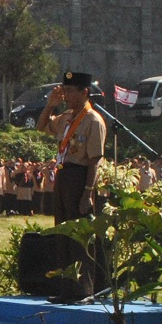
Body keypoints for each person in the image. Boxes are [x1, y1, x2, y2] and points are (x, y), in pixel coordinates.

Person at [37, 72, 106, 223]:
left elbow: (94, 160)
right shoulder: (66, 117)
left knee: (77, 227)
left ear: (84, 92)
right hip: (63, 175)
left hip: (80, 178)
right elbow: (41, 126)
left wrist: (87, 193)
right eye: (64, 90)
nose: (65, 96)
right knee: (61, 226)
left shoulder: (93, 120)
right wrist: (50, 105)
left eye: (70, 91)